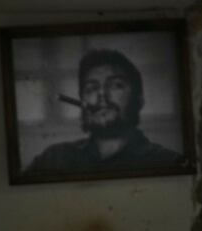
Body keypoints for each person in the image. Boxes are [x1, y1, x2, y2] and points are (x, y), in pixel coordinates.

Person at [22, 48, 184, 177]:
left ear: (139, 100)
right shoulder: (53, 159)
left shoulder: (168, 162)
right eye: (91, 88)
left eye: (115, 85)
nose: (101, 95)